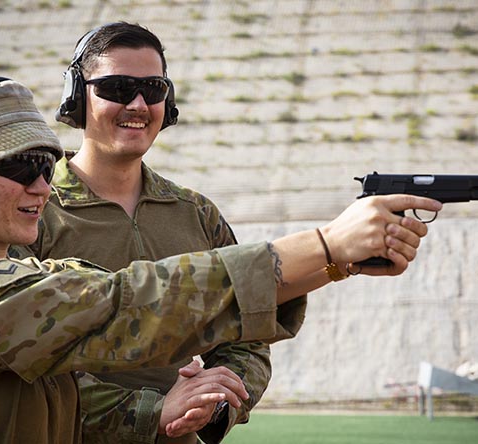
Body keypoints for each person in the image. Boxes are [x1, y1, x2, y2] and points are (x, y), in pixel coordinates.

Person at [0, 75, 440, 444]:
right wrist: (325, 245)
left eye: (45, 165)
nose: (42, 186)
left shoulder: (20, 281)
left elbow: (75, 397)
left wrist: (170, 410)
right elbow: (129, 302)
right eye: (19, 167)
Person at [34, 22, 435, 444]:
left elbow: (247, 334)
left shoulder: (195, 212)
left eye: (153, 89)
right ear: (77, 96)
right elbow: (21, 363)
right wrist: (151, 411)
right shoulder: (35, 209)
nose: (137, 104)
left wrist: (218, 399)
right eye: (116, 88)